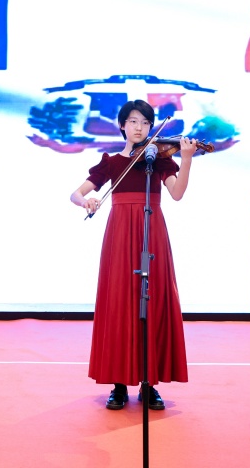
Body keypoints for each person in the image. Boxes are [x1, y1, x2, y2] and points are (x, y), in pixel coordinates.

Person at [70, 100, 196, 410]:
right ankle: (118, 384)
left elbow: (177, 194)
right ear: (122, 125)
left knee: (153, 300)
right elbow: (76, 193)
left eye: (145, 122)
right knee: (120, 301)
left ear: (151, 127)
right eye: (133, 121)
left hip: (152, 232)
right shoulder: (111, 162)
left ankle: (149, 383)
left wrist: (187, 159)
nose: (139, 127)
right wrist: (86, 202)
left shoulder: (159, 160)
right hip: (120, 234)